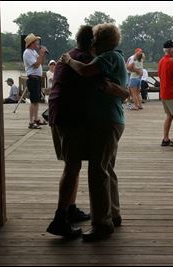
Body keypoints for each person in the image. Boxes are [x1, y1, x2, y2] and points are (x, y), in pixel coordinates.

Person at [60, 23, 127, 242]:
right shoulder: (116, 57)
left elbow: (85, 70)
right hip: (113, 120)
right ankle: (113, 214)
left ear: (103, 42)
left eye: (96, 40)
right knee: (107, 168)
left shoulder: (108, 57)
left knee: (97, 171)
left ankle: (102, 223)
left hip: (105, 122)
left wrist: (68, 60)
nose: (93, 44)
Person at [23, 33, 48, 129]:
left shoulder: (33, 52)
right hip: (32, 79)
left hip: (37, 79)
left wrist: (43, 54)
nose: (38, 42)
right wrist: (41, 54)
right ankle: (31, 122)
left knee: (37, 101)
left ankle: (36, 119)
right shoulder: (27, 52)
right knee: (33, 101)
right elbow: (36, 65)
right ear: (32, 43)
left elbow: (41, 62)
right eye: (36, 41)